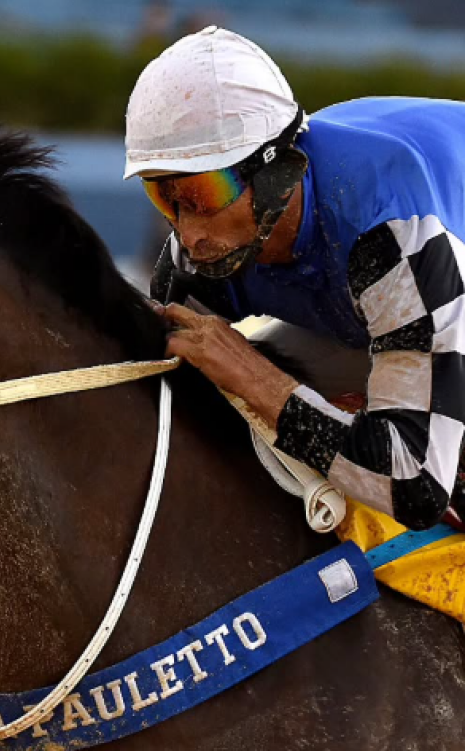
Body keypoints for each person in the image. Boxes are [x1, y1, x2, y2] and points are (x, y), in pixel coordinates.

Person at [124, 26, 465, 531]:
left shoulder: (388, 227)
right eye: (165, 196)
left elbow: (415, 486)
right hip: (370, 307)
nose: (188, 234)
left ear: (276, 174)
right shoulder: (201, 249)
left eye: (201, 194)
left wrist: (257, 378)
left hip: (430, 262)